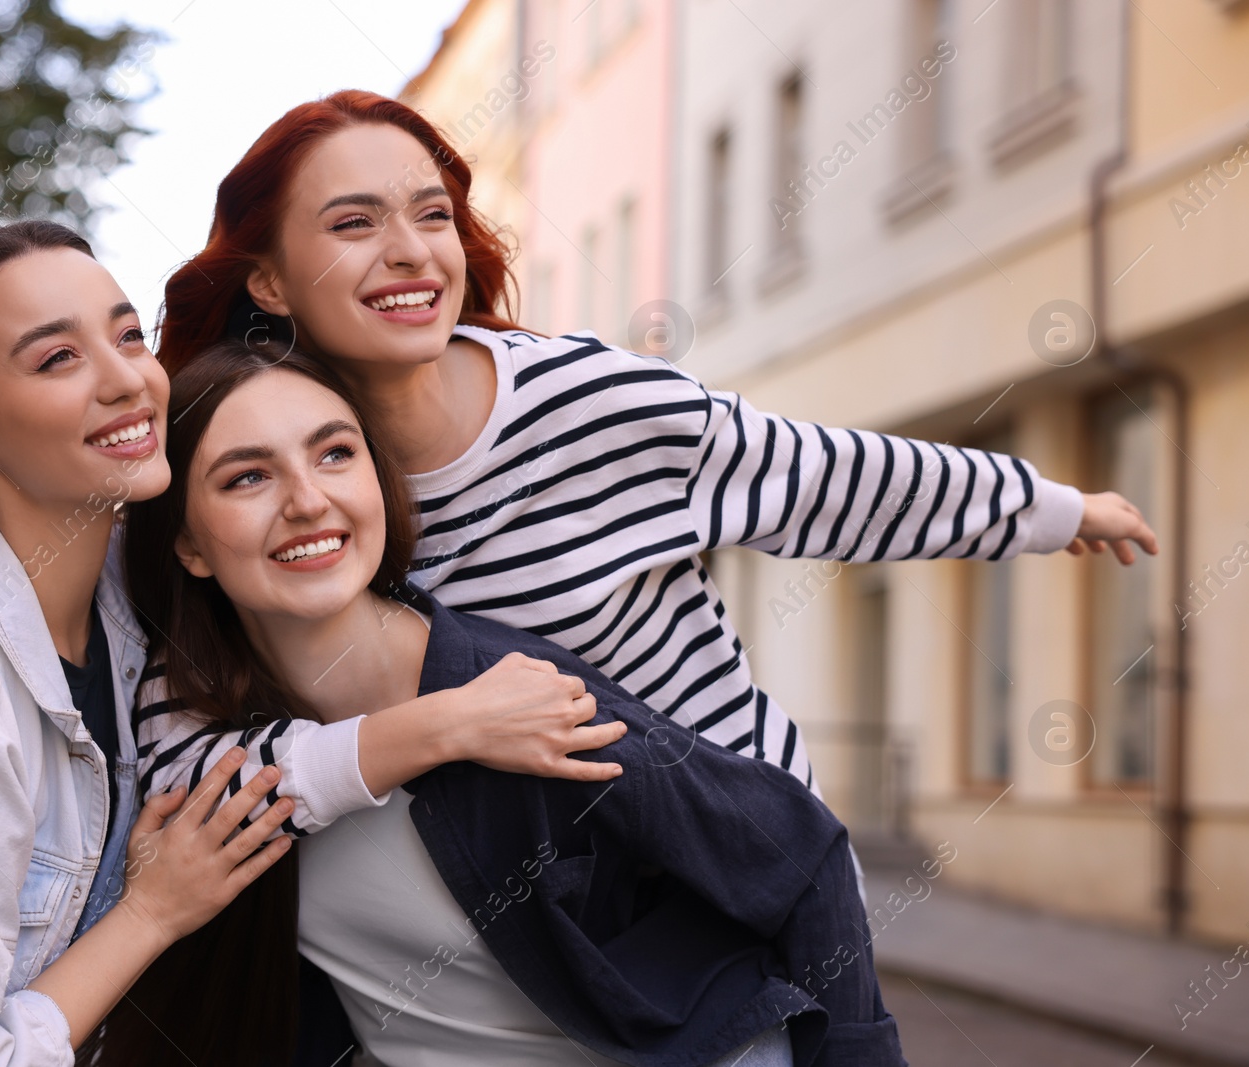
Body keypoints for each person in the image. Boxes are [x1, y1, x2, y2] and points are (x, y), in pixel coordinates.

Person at [0, 218, 622, 1064]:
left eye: (127, 336)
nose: (128, 379)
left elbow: (248, 747)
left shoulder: (124, 589)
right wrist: (153, 911)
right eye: (56, 358)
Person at [151, 90, 1158, 822]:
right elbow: (183, 735)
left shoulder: (590, 401)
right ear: (270, 283)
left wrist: (1052, 507)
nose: (413, 251)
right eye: (353, 223)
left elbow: (821, 477)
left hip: (740, 857)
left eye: (431, 214)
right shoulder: (277, 480)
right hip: (540, 927)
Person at [123, 339, 905, 1066]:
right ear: (187, 542)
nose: (305, 500)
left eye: (335, 453)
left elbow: (800, 852)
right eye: (247, 476)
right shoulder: (208, 745)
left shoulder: (519, 701)